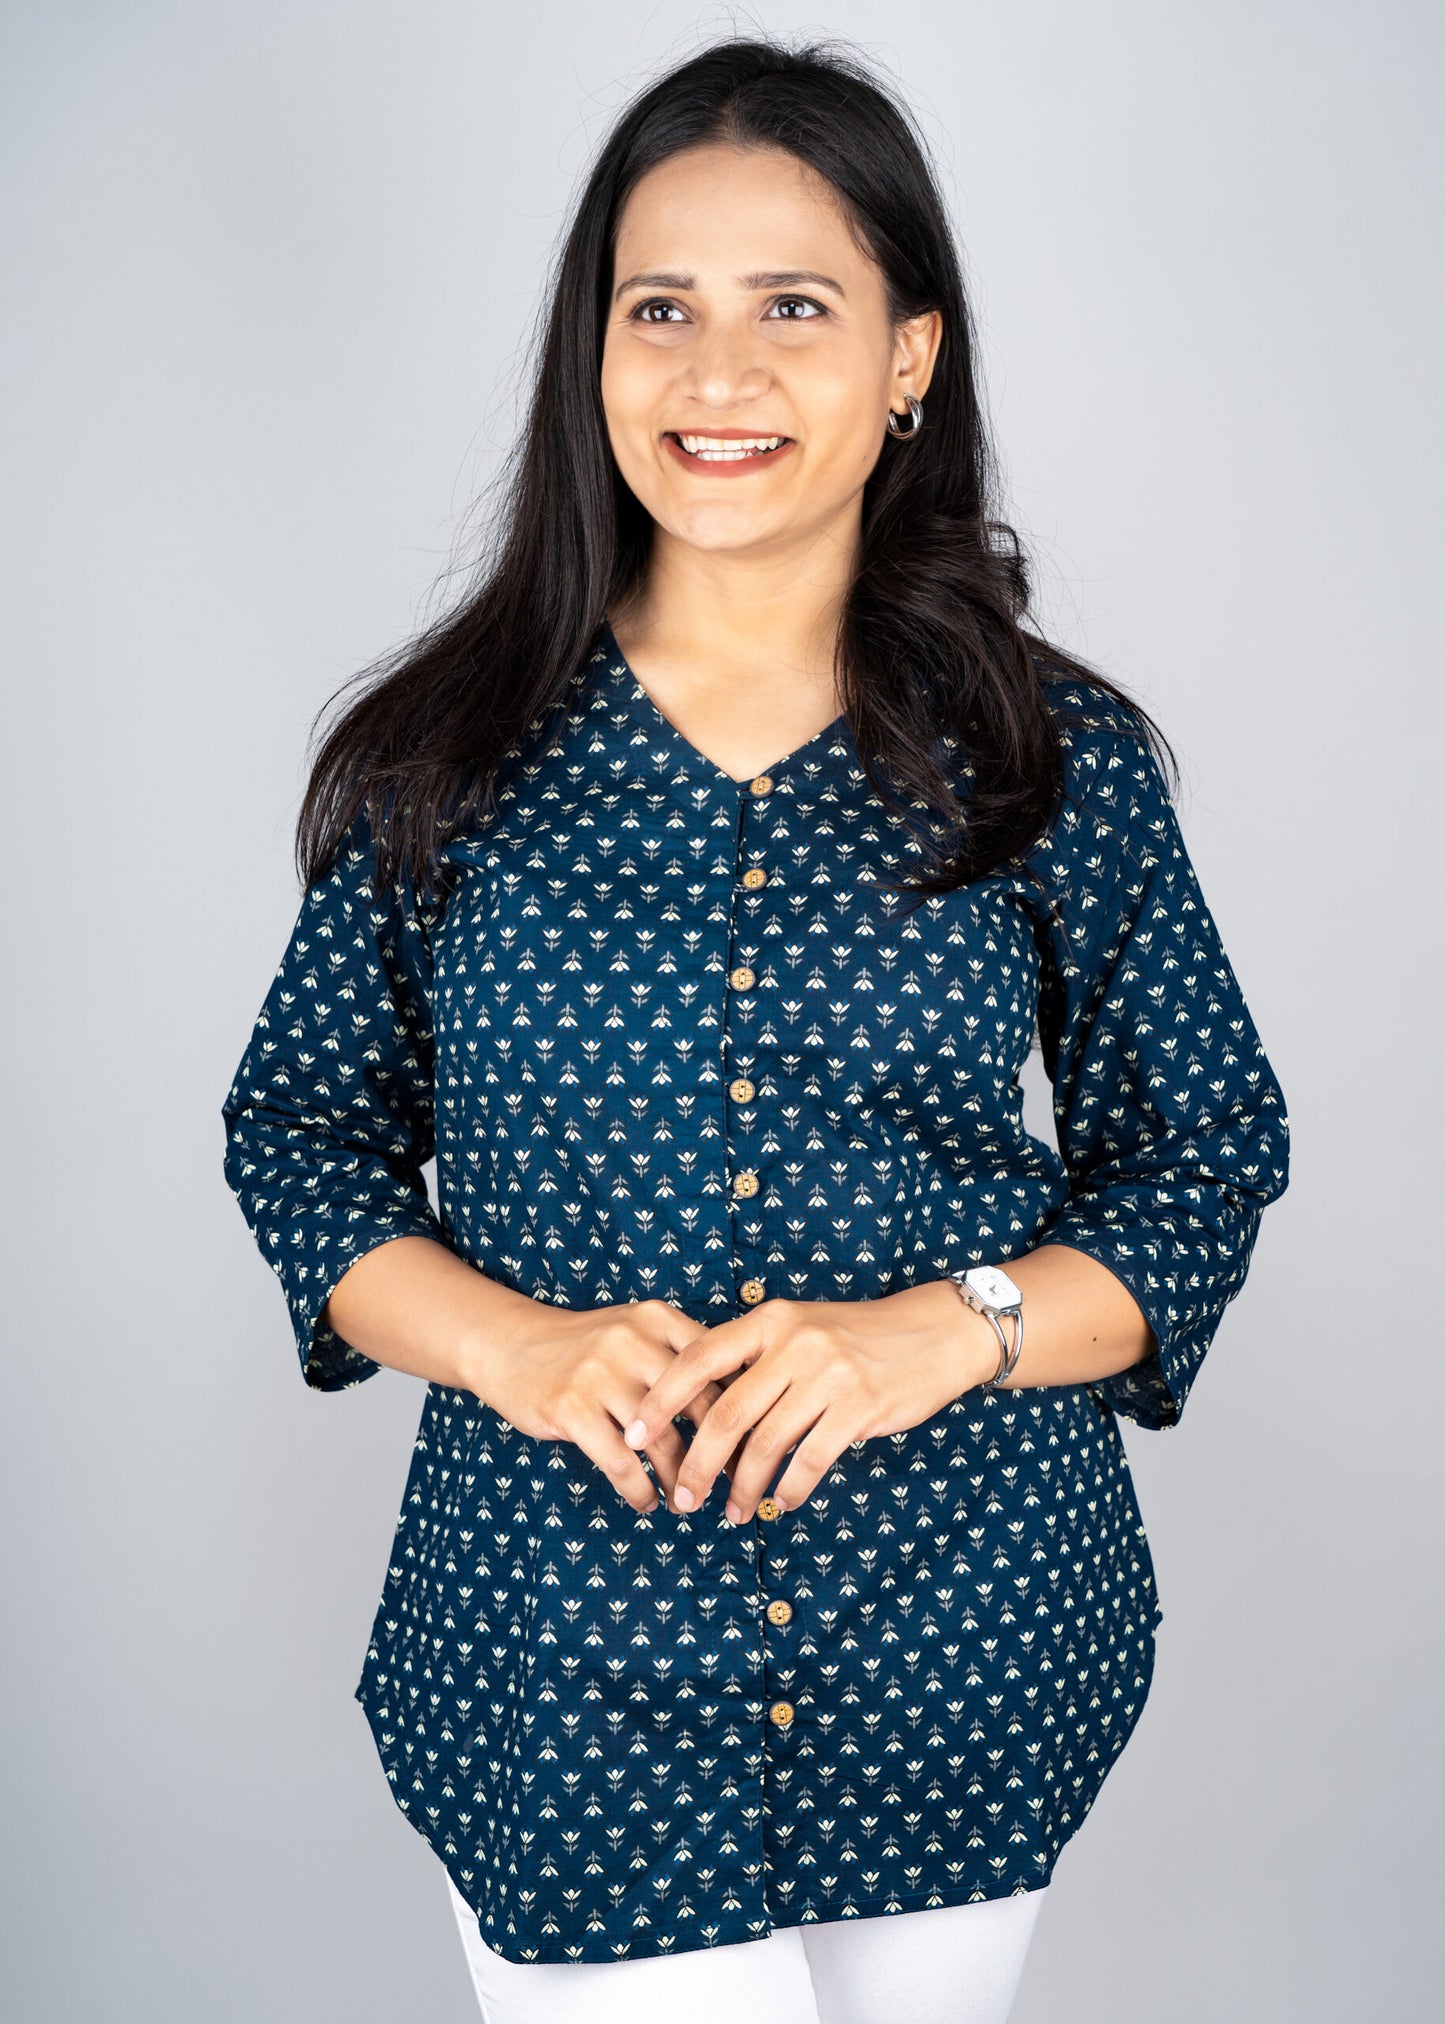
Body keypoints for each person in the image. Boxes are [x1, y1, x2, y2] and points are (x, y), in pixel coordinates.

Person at [220, 34, 1290, 2024]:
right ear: (595, 355)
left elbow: (1204, 1157)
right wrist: (519, 1348)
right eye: (662, 312)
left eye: (795, 307)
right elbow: (303, 1139)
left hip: (960, 1631)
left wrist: (937, 1332)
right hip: (562, 1657)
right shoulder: (439, 766)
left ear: (908, 357)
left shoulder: (1056, 762)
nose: (720, 378)